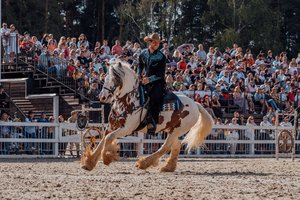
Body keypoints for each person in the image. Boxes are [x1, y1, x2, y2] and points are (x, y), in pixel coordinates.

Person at [138, 33, 166, 134]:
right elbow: (140, 66)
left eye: (158, 43)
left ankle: (152, 123)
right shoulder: (142, 54)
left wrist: (149, 79)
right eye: (154, 42)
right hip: (144, 80)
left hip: (157, 83)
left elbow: (161, 74)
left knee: (154, 97)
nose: (156, 44)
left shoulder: (161, 57)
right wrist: (139, 75)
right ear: (150, 42)